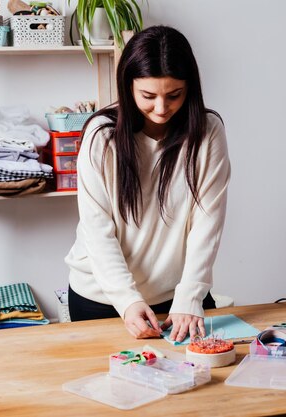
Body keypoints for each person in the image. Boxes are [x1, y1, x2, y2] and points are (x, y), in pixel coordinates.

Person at [64, 25, 231, 343]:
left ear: (190, 89)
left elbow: (208, 221)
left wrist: (191, 294)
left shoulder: (208, 132)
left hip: (181, 298)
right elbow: (97, 229)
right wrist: (127, 301)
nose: (161, 108)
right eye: (148, 96)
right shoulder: (102, 136)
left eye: (174, 95)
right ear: (128, 87)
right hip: (102, 299)